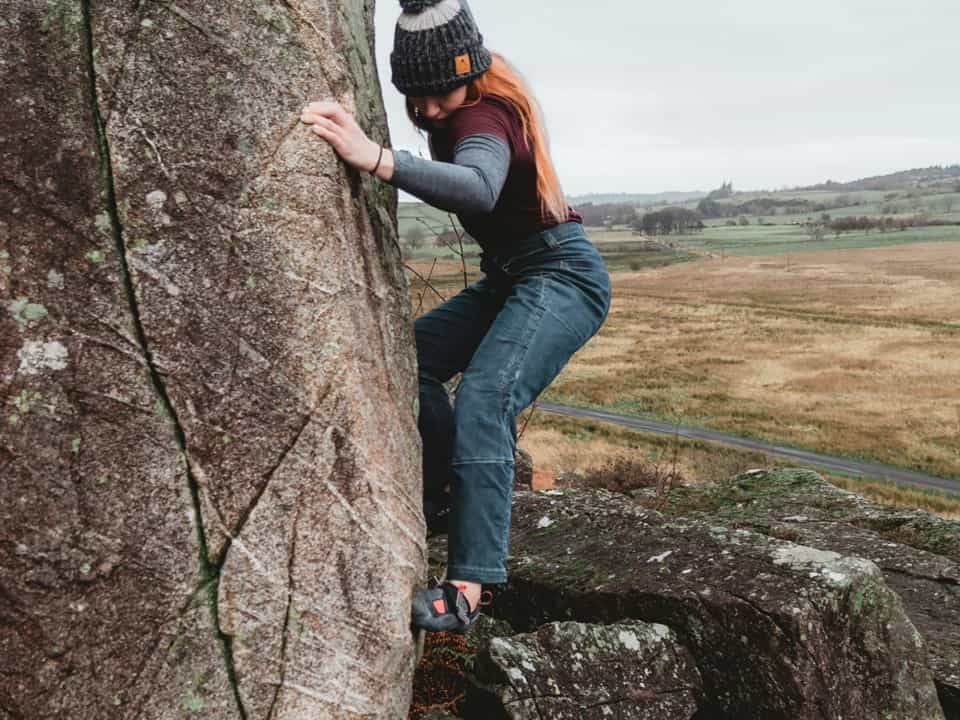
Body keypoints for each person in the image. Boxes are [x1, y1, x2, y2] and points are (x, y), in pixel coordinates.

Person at [300, 0, 611, 634]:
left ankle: (468, 586)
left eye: (439, 93)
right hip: (511, 277)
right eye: (417, 99)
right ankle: (445, 496)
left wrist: (377, 157)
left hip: (562, 275)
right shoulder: (457, 102)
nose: (432, 110)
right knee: (406, 363)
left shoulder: (486, 112)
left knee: (485, 398)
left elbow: (476, 186)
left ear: (467, 69)